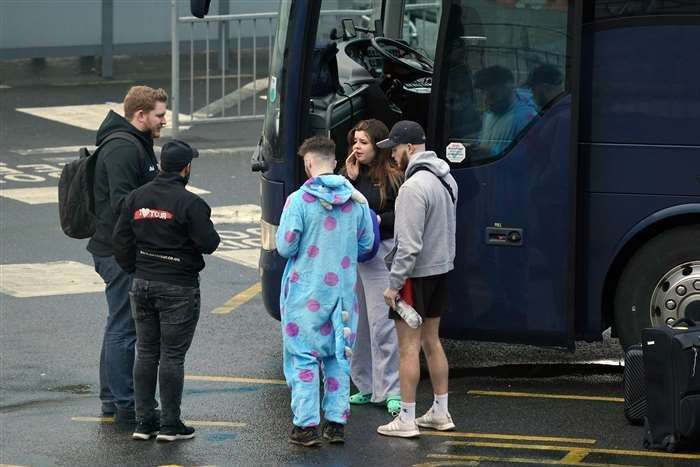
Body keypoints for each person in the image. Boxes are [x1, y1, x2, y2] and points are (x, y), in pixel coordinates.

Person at [112, 140, 220, 441]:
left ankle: (144, 422)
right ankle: (170, 424)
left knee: (145, 352)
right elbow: (210, 243)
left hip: (142, 283)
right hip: (178, 286)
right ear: (186, 168)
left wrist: (137, 269)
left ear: (161, 165)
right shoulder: (191, 204)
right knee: (172, 356)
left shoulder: (135, 198)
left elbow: (120, 241)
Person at [277, 136, 377, 447]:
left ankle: (306, 426)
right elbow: (366, 245)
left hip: (305, 292)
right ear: (334, 161)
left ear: (308, 164)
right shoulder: (357, 201)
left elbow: (285, 245)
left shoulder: (298, 201)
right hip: (343, 292)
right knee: (337, 356)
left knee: (304, 357)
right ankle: (336, 423)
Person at [88, 86, 167, 423]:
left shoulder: (134, 142)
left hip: (115, 247)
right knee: (125, 328)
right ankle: (125, 404)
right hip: (117, 251)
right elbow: (123, 202)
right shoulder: (123, 148)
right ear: (140, 116)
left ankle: (113, 400)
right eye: (160, 115)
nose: (164, 121)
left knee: (117, 324)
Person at [375, 121, 458, 438]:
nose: (392, 156)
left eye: (394, 149)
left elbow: (408, 246)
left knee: (408, 348)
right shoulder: (446, 179)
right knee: (432, 342)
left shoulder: (412, 189)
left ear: (409, 148)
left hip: (414, 277)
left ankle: (406, 418)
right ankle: (440, 410)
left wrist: (394, 285)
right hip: (440, 270)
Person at [342, 119, 403, 415]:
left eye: (363, 142)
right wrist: (349, 179)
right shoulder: (350, 176)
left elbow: (404, 214)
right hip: (355, 256)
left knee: (383, 325)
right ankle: (365, 386)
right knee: (356, 324)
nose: (356, 146)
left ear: (377, 145)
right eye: (355, 141)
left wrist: (379, 220)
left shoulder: (393, 176)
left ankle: (391, 390)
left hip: (381, 255)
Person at [473, 65, 537, 157]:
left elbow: (529, 155)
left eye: (492, 94)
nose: (486, 100)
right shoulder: (489, 114)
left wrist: (491, 153)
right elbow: (484, 138)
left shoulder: (525, 118)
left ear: (508, 86)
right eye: (483, 93)